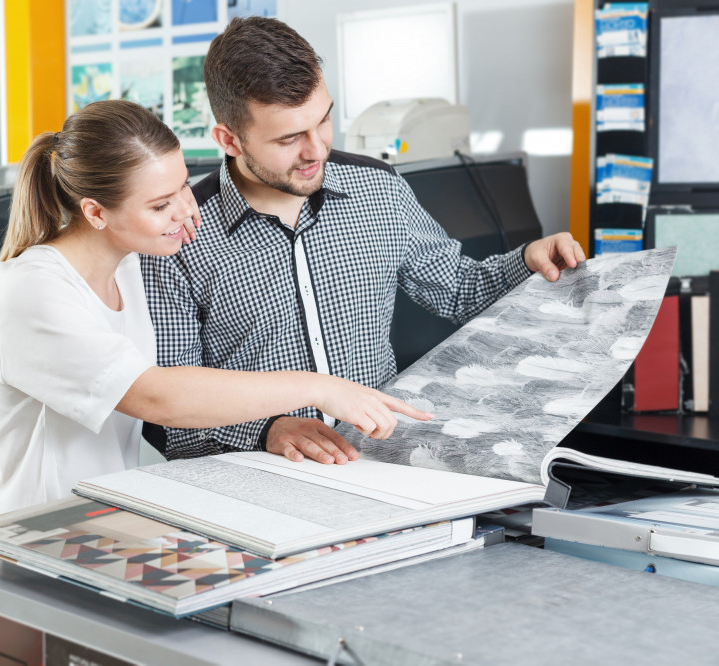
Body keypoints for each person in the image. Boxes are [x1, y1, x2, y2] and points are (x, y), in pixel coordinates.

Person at [140, 17, 587, 466]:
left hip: (381, 468)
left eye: (324, 120)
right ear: (229, 140)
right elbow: (164, 407)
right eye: (290, 137)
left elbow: (458, 290)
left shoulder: (379, 189)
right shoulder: (175, 235)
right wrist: (265, 430)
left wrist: (527, 260)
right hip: (255, 481)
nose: (317, 150)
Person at [0, 100, 432, 516]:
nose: (186, 212)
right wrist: (317, 388)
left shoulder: (130, 266)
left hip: (101, 521)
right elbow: (157, 396)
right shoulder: (30, 292)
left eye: (183, 189)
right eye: (160, 205)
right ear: (96, 213)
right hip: (31, 533)